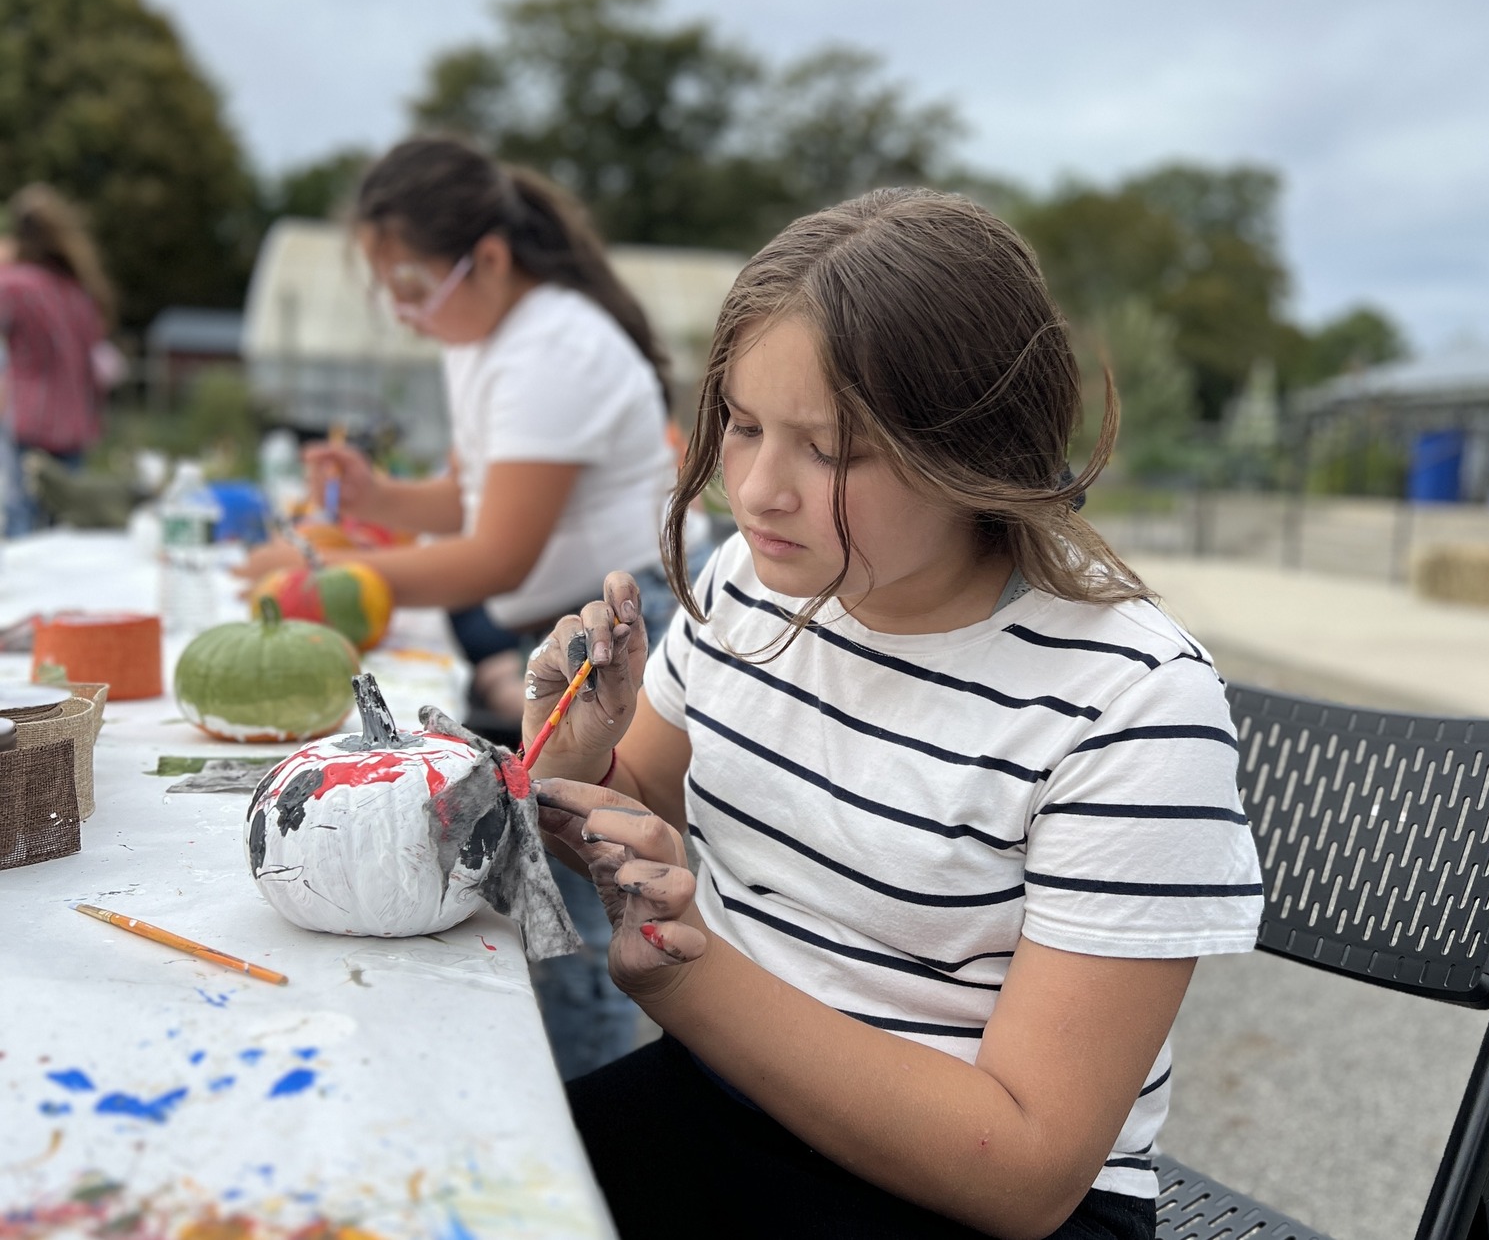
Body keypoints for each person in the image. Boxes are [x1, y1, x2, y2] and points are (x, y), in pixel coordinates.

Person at [522, 188, 1264, 1239]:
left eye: (831, 450)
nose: (759, 490)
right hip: (733, 1102)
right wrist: (587, 761)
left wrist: (692, 984)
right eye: (740, 425)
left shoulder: (1131, 702)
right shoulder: (749, 583)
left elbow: (1026, 1167)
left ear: (983, 450)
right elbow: (647, 804)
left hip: (965, 1194)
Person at [239, 135, 679, 1079]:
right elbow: (469, 499)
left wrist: (322, 574)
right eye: (383, 289)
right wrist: (368, 503)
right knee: (541, 871)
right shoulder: (485, 338)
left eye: (408, 284)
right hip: (561, 623)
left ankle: (586, 1086)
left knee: (579, 885)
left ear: (485, 258)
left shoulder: (551, 345)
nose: (400, 312)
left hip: (618, 624)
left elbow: (497, 550)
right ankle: (570, 1070)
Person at [0, 185, 116, 535]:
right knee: (64, 526)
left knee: (22, 519)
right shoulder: (77, 292)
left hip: (31, 420)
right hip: (75, 424)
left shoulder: (15, 285)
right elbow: (93, 363)